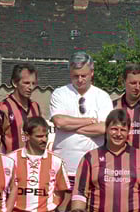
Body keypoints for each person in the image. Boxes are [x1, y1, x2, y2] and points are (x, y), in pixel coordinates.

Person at [6, 117, 70, 212]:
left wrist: (57, 209)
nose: (44, 139)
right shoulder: (11, 159)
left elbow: (63, 190)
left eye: (46, 135)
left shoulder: (56, 161)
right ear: (27, 136)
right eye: (39, 136)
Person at [48, 52, 113, 191]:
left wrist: (70, 126)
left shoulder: (102, 97)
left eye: (84, 75)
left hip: (92, 167)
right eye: (75, 76)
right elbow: (59, 122)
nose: (80, 79)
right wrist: (88, 121)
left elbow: (103, 128)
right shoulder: (59, 93)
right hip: (63, 166)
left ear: (92, 73)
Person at [0, 64, 42, 154]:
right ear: (15, 83)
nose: (31, 87)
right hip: (11, 163)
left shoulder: (35, 107)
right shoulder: (4, 108)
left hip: (33, 163)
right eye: (26, 83)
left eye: (33, 83)